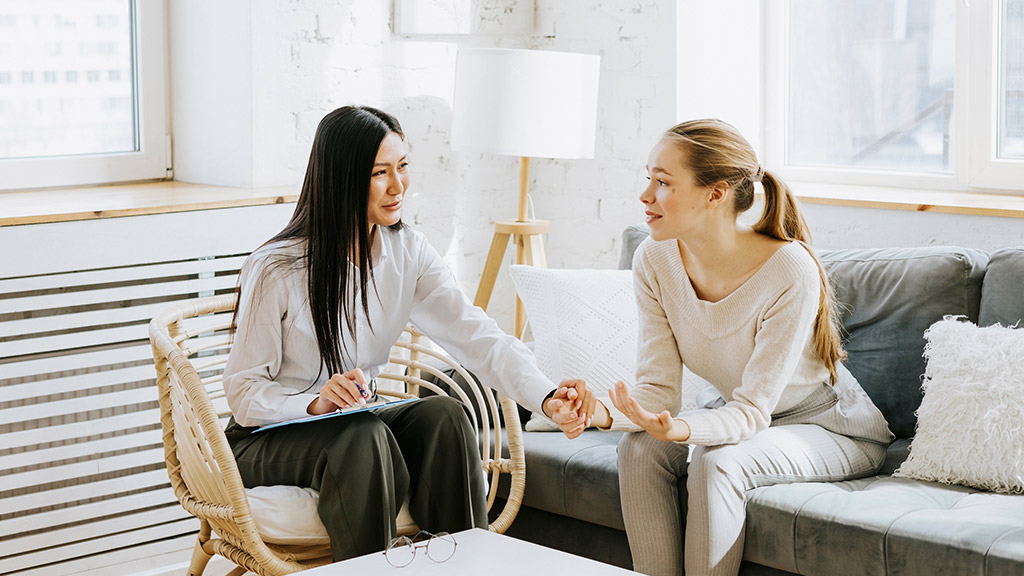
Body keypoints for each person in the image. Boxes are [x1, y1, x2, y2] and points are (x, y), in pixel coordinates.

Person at [222, 105, 582, 561]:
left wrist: (547, 395)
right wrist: (317, 403)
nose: (398, 186)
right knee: (361, 436)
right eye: (379, 173)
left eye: (403, 166)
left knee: (445, 417)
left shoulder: (407, 251)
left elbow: (477, 336)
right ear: (342, 178)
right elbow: (243, 392)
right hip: (268, 437)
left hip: (357, 427)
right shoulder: (277, 268)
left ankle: (467, 569)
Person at [557, 119, 894, 576]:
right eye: (648, 179)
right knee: (638, 449)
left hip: (828, 427)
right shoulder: (654, 260)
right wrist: (596, 413)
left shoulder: (789, 268)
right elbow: (656, 393)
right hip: (742, 415)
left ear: (715, 194)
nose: (645, 196)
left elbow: (753, 412)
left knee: (719, 461)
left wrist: (679, 430)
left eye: (663, 182)